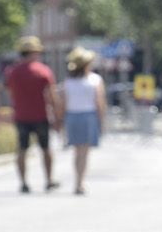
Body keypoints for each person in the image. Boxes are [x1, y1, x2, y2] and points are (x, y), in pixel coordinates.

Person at [6, 35, 60, 193]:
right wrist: (57, 115)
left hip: (21, 116)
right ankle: (49, 180)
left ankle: (23, 183)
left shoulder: (13, 72)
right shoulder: (43, 71)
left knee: (22, 149)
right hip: (40, 116)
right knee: (46, 149)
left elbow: (11, 93)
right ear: (34, 53)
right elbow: (51, 95)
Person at [58, 46, 105, 195]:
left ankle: (78, 181)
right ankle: (80, 182)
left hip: (72, 117)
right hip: (88, 117)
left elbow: (63, 104)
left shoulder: (68, 82)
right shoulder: (95, 80)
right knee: (84, 152)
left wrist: (61, 122)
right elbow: (100, 103)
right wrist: (102, 121)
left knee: (77, 152)